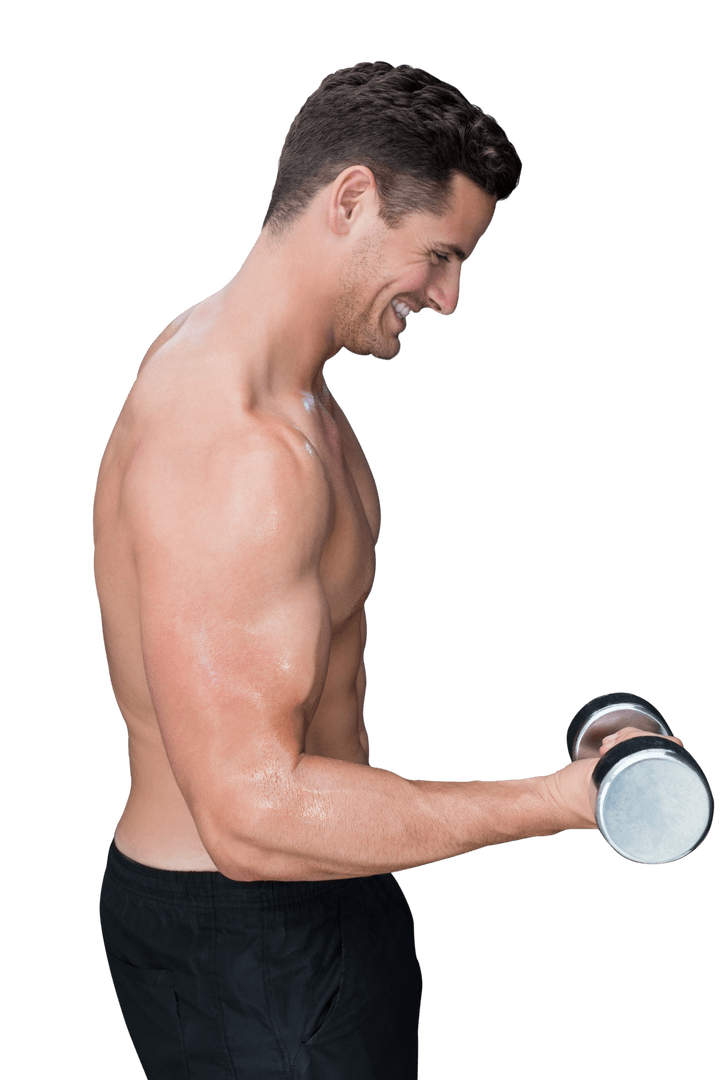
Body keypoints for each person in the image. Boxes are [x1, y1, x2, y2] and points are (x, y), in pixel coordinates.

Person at [94, 60, 666, 1079]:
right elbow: (250, 818)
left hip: (313, 899)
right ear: (350, 199)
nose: (448, 299)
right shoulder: (232, 449)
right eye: (438, 256)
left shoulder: (279, 384)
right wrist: (569, 802)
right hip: (249, 936)